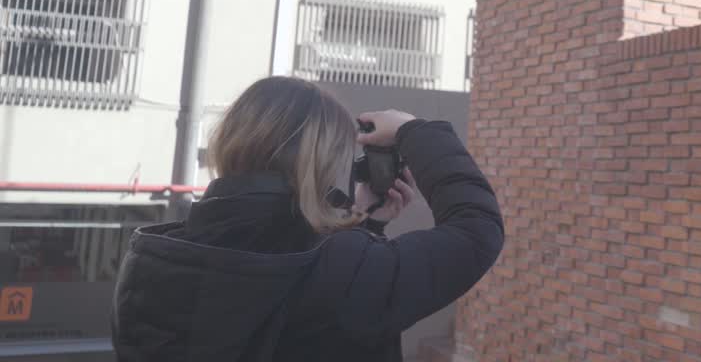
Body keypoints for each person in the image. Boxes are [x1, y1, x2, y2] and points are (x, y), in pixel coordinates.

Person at [110, 76, 504, 361]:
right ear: (319, 159)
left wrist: (364, 226)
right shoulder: (343, 268)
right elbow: (476, 231)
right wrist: (415, 131)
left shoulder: (151, 260)